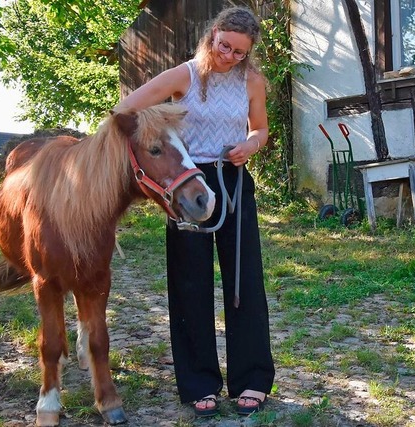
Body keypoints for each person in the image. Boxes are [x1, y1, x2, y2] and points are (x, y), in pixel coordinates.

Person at [115, 5, 275, 417]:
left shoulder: (252, 80)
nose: (230, 57)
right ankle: (199, 382)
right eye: (226, 46)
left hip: (233, 179)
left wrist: (251, 145)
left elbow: (260, 128)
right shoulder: (182, 75)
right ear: (213, 34)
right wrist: (158, 149)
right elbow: (125, 110)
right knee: (190, 284)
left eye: (240, 52)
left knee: (244, 280)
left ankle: (252, 378)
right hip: (187, 183)